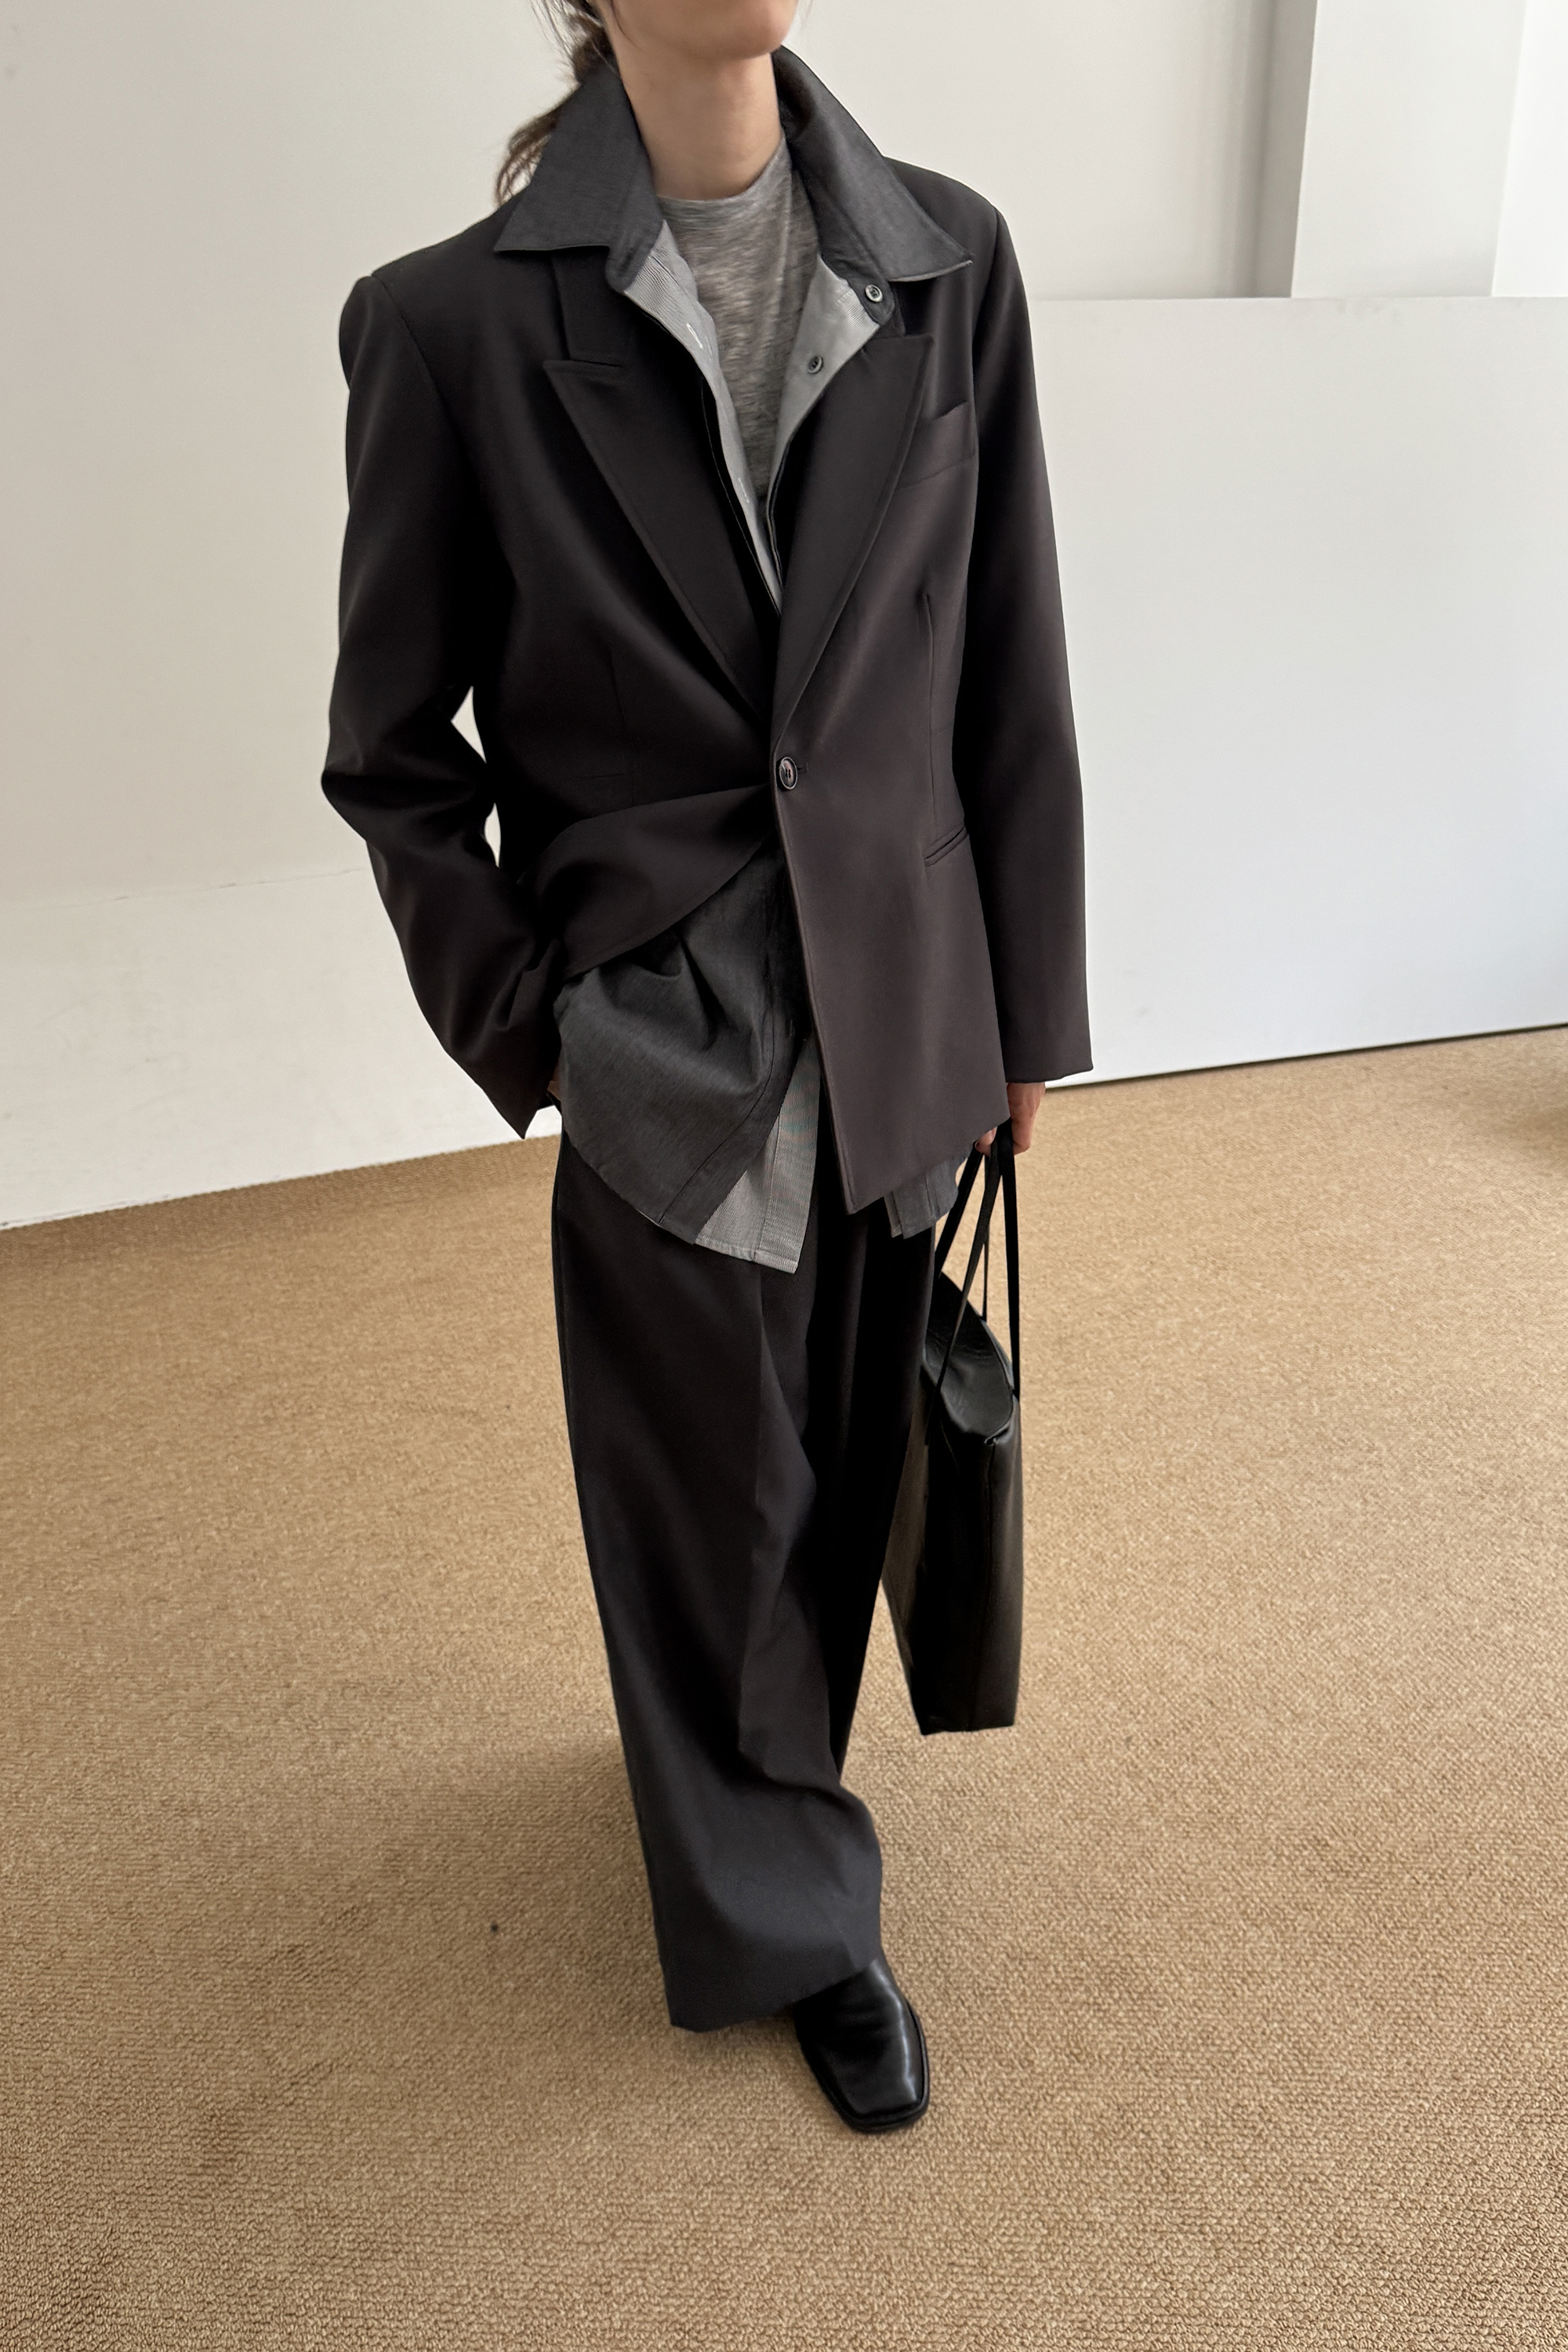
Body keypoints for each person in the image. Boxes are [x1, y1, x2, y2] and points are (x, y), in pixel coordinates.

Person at [323, 0, 1089, 2135]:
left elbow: (1009, 652)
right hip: (672, 1032)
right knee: (701, 1494)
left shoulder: (949, 257)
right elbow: (393, 757)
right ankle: (796, 1918)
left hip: (906, 993)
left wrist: (1033, 1004)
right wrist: (541, 1024)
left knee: (838, 1452)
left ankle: (758, 1788)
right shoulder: (449, 329)